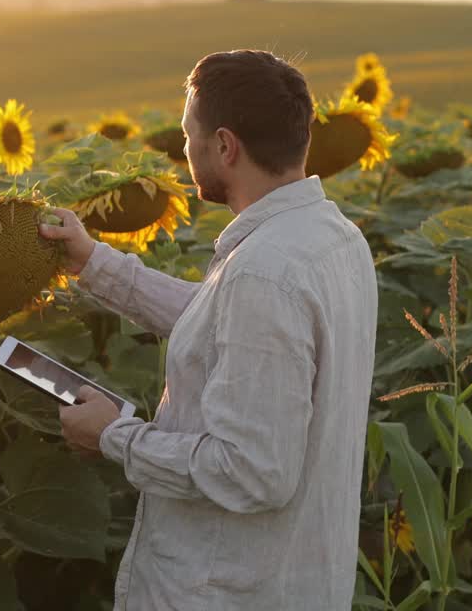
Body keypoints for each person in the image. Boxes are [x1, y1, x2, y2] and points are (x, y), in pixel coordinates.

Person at [39, 49, 378, 610]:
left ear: (225, 146)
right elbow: (228, 327)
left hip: (225, 590)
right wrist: (92, 263)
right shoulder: (332, 238)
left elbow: (251, 472)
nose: (185, 152)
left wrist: (113, 436)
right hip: (296, 579)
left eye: (188, 136)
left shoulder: (265, 273)